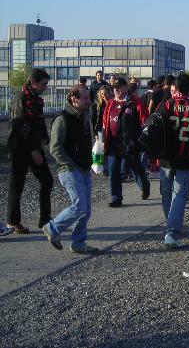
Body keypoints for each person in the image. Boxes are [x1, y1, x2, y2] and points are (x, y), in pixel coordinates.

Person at [43, 84, 100, 254]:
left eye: (89, 98)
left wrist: (87, 164)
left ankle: (78, 243)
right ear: (74, 99)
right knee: (79, 206)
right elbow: (55, 148)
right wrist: (70, 164)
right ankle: (52, 228)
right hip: (68, 169)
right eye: (85, 98)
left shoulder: (84, 116)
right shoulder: (63, 119)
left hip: (83, 168)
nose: (89, 101)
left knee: (86, 210)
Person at [158, 74, 189, 247]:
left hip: (165, 157)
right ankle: (172, 230)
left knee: (166, 191)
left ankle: (170, 221)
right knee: (179, 194)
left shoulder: (165, 105)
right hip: (185, 157)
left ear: (176, 87)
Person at [6, 68, 54, 233]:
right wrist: (33, 150)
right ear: (33, 83)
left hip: (35, 147)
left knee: (47, 180)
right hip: (21, 149)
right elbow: (19, 128)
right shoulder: (21, 99)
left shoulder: (36, 100)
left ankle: (45, 219)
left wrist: (44, 137)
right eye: (44, 84)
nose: (46, 87)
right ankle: (13, 222)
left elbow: (39, 122)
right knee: (16, 186)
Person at [102, 77, 150, 207]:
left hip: (130, 143)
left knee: (135, 168)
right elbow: (105, 123)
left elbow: (145, 121)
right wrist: (103, 140)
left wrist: (144, 137)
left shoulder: (135, 102)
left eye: (119, 87)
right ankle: (116, 198)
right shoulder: (111, 103)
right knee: (113, 171)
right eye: (114, 88)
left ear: (125, 87)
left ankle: (145, 186)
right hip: (113, 143)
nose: (116, 90)